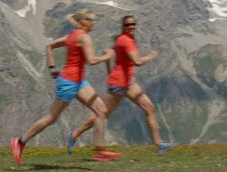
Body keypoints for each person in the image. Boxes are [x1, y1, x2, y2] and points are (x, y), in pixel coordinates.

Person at [11, 10, 121, 164]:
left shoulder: (72, 36)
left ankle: (101, 151)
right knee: (51, 118)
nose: (94, 22)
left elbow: (50, 46)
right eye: (91, 19)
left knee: (101, 111)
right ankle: (20, 141)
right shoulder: (84, 37)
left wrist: (52, 67)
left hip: (79, 81)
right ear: (83, 21)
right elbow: (91, 60)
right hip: (69, 82)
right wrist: (108, 56)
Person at [66, 15, 174, 155]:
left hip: (127, 83)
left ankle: (159, 144)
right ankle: (74, 135)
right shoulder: (126, 41)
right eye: (128, 25)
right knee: (102, 114)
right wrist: (151, 56)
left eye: (133, 24)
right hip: (119, 85)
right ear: (123, 27)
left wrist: (109, 70)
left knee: (150, 108)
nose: (131, 27)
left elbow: (109, 53)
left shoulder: (120, 40)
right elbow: (137, 62)